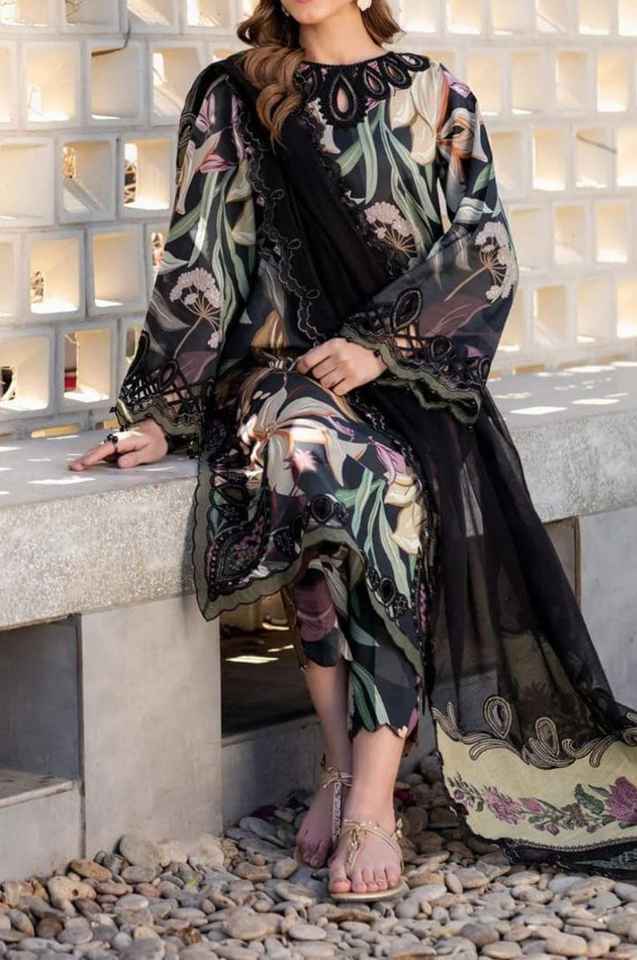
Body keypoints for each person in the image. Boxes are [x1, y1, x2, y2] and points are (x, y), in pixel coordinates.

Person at [70, 0, 637, 899]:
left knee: (395, 492)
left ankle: (368, 793)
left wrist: (381, 347)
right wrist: (159, 412)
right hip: (280, 373)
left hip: (406, 373)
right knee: (330, 471)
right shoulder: (235, 92)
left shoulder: (434, 94)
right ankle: (339, 765)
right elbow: (201, 253)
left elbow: (484, 249)